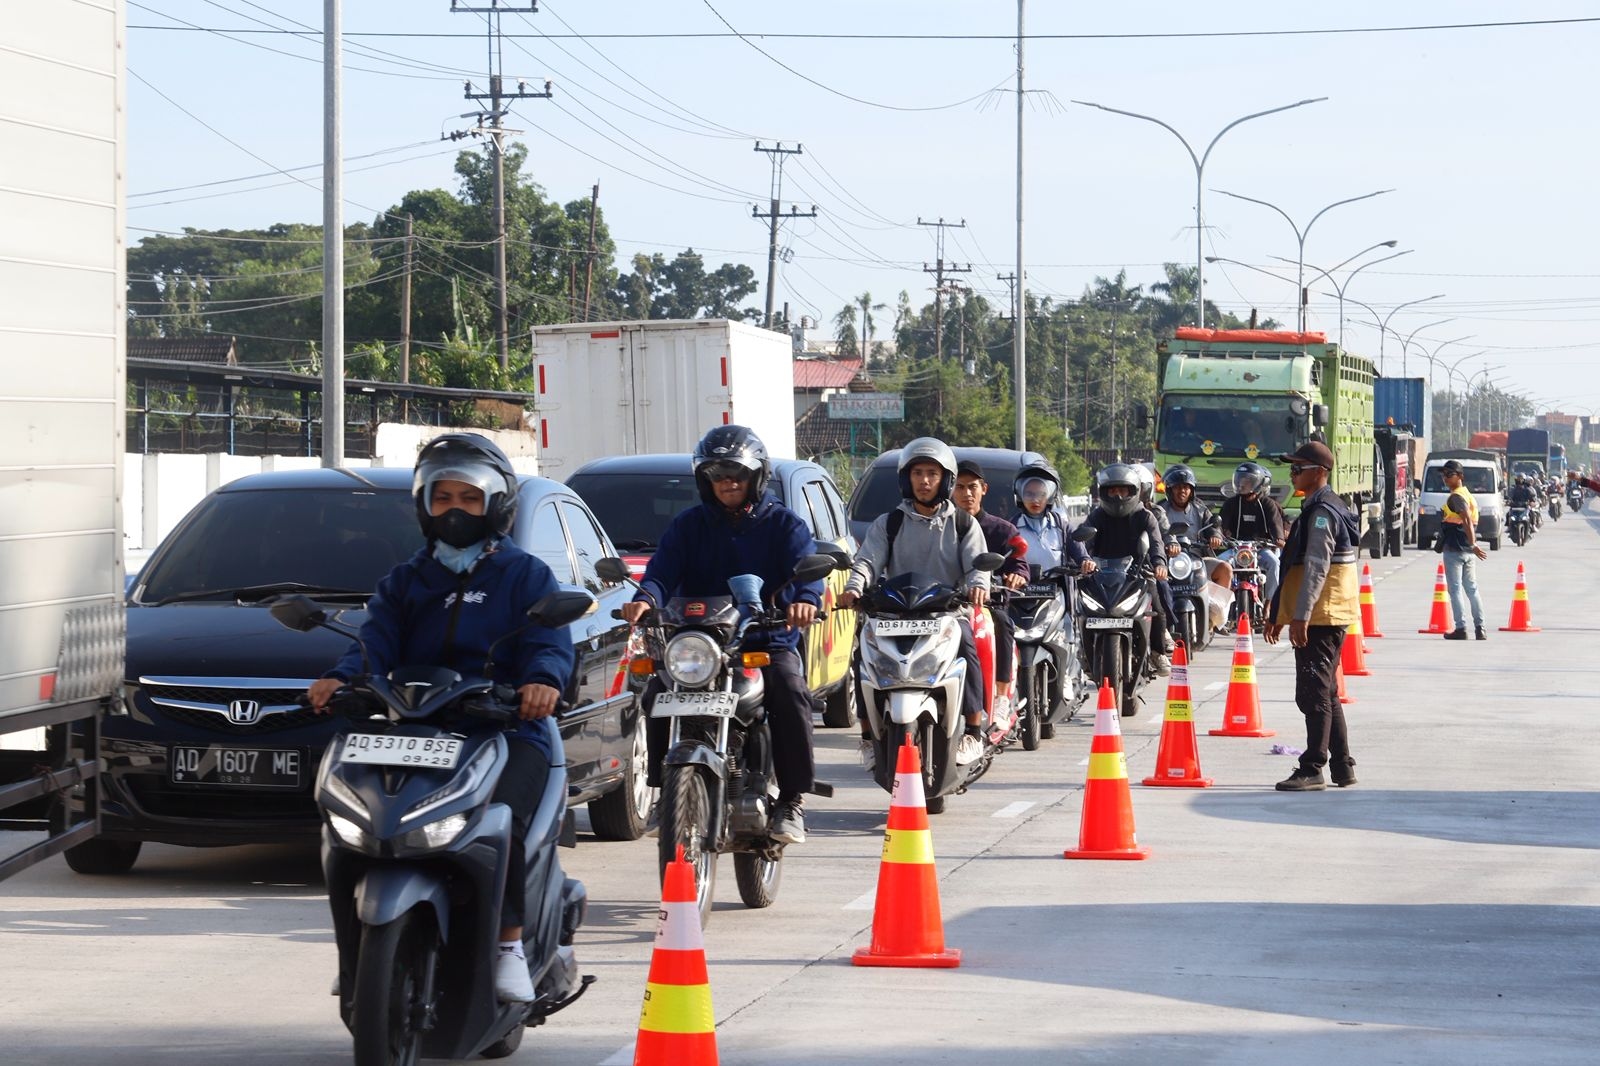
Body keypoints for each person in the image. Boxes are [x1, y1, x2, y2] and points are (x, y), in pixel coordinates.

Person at [307, 433, 574, 1003]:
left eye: (469, 499)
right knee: (347, 822)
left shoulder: (524, 576)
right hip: (411, 730)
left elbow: (549, 642)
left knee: (506, 820)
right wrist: (342, 677)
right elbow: (373, 641)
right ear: (424, 504)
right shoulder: (406, 581)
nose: (456, 511)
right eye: (443, 498)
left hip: (504, 729)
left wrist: (541, 684)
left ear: (496, 506)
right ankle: (355, 948)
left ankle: (507, 944)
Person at [620, 425, 822, 844]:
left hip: (763, 643)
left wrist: (805, 600)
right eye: (717, 474)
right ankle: (666, 790)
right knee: (657, 689)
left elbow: (807, 572)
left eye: (736, 472)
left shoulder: (784, 525)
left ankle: (791, 799)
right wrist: (644, 598)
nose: (727, 482)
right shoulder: (688, 526)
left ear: (756, 476)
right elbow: (661, 573)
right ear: (704, 480)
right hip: (698, 645)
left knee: (789, 688)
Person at [839, 437, 991, 766]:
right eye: (917, 473)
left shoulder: (963, 524)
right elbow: (867, 561)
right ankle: (867, 736)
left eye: (932, 474)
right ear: (906, 478)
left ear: (945, 479)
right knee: (862, 657)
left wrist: (978, 586)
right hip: (893, 615)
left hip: (946, 613)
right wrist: (854, 587)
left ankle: (973, 732)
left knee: (970, 647)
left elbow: (977, 563)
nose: (924, 481)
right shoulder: (889, 523)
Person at [1264, 442, 1360, 792]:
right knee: (1327, 692)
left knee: (1313, 692)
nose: (1292, 474)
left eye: (1297, 468)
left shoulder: (1322, 513)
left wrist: (1300, 617)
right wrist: (1279, 610)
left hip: (1323, 615)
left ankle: (1312, 767)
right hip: (1323, 613)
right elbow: (1296, 566)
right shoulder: (1316, 508)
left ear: (1318, 471)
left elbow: (1317, 567)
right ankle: (1342, 766)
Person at [952, 460, 1027, 733]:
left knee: (1003, 624)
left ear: (984, 489)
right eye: (959, 487)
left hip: (988, 608)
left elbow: (1019, 561)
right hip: (945, 609)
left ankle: (1000, 697)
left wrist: (1016, 575)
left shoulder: (1002, 530)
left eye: (972, 487)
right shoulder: (939, 528)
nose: (966, 494)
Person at [1078, 463, 1172, 675]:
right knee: (1080, 604)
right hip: (1101, 574)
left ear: (1134, 491)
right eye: (1113, 490)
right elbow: (1082, 541)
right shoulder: (1097, 516)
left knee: (1155, 605)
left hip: (1137, 574)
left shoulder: (1145, 516)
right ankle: (1084, 651)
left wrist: (1159, 564)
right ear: (1103, 492)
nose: (1118, 496)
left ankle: (1157, 652)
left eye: (1123, 490)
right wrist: (1082, 560)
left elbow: (1156, 543)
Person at [1217, 461, 1287, 603]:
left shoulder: (1267, 503)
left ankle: (1270, 604)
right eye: (1240, 480)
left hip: (1259, 549)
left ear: (1257, 483)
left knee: (1274, 563)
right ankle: (1219, 605)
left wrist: (1278, 538)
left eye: (1247, 481)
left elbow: (1275, 523)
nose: (1242, 484)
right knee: (1218, 563)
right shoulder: (1231, 503)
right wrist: (1220, 534)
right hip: (1235, 549)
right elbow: (1221, 524)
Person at [1011, 455, 1092, 575]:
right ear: (1019, 496)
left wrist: (1087, 563)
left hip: (1059, 591)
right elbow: (1002, 564)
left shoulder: (1063, 528)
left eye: (1041, 494)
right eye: (1029, 494)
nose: (1035, 500)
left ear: (1050, 496)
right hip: (1019, 592)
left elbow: (1082, 556)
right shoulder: (1011, 529)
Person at [1437, 459, 1489, 640]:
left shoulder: (1457, 497)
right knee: (1472, 589)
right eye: (1444, 475)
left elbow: (1466, 518)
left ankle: (1461, 628)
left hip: (1455, 548)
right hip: (1467, 551)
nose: (1445, 478)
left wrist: (1473, 543)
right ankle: (1480, 628)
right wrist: (1472, 545)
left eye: (1449, 475)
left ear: (1460, 476)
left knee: (1456, 589)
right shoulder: (1468, 494)